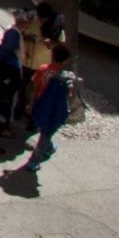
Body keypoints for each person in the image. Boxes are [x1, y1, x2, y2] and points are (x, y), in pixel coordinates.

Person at [21, 44, 75, 172]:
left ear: (52, 55)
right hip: (55, 110)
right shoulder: (68, 77)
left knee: (44, 131)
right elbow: (70, 94)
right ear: (66, 60)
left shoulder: (42, 69)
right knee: (46, 135)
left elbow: (34, 89)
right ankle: (34, 161)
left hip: (41, 105)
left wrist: (30, 104)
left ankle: (49, 147)